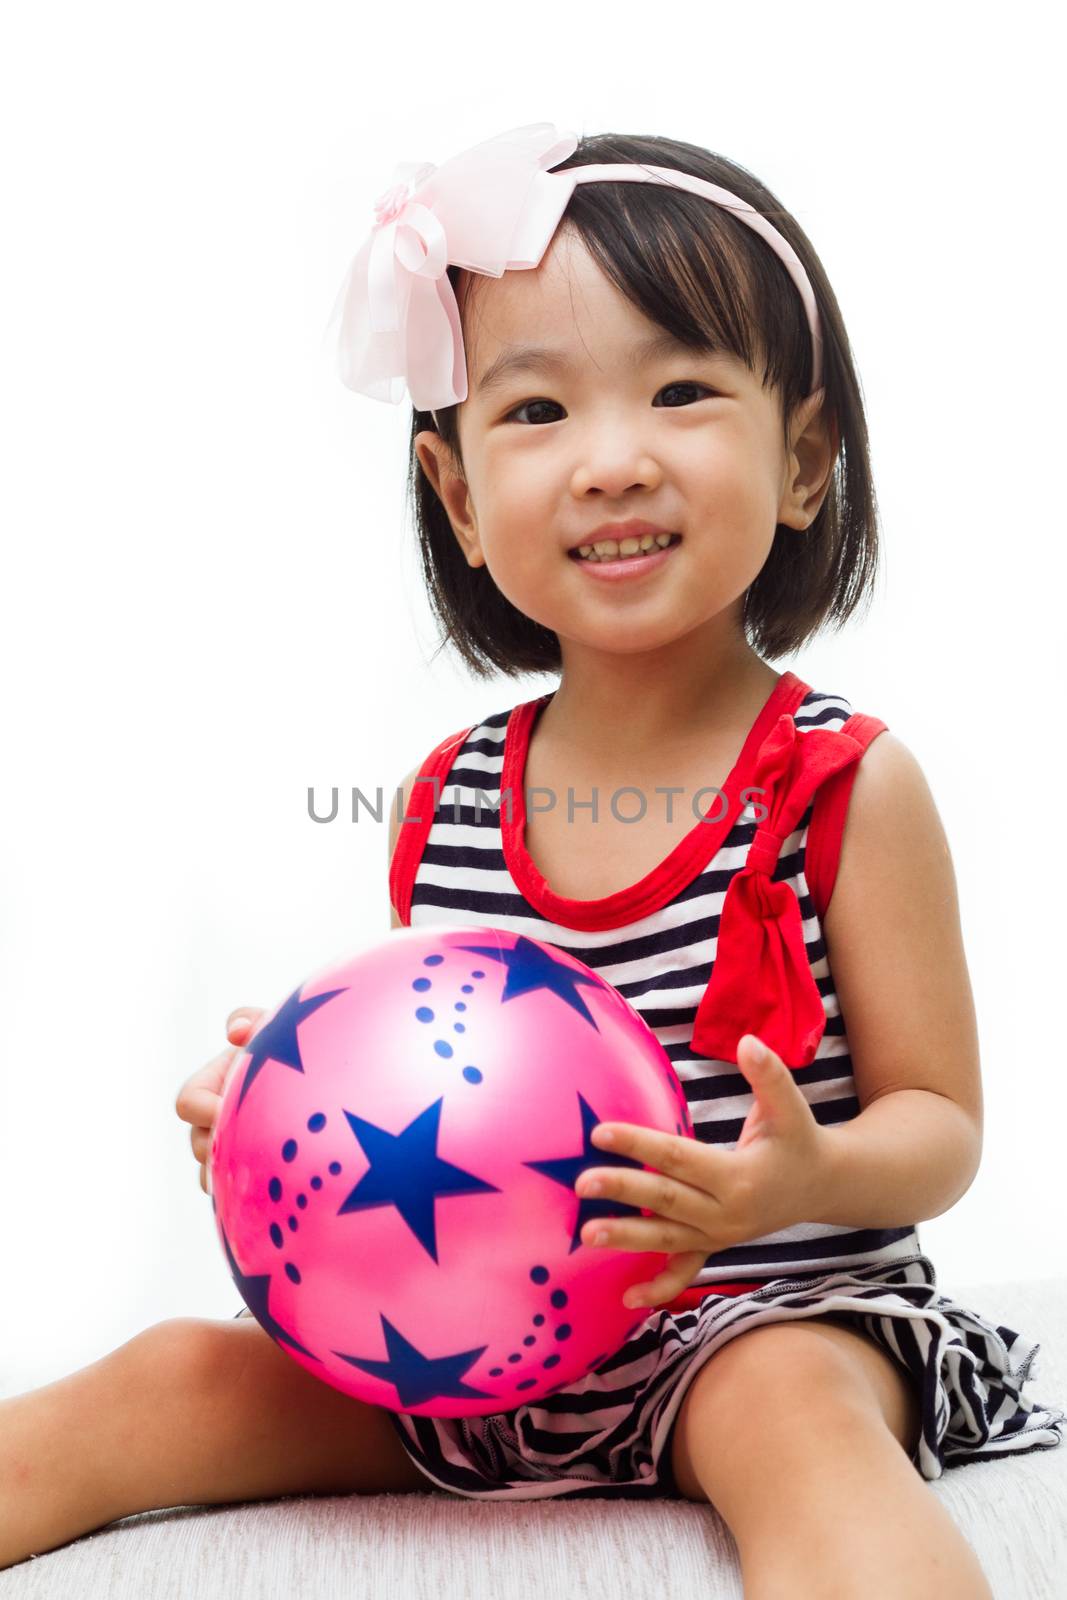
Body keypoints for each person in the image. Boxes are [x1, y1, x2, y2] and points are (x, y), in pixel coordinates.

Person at [2, 124, 1062, 1595]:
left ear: (804, 456)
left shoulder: (843, 783)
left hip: (757, 1319)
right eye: (537, 412)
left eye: (684, 391)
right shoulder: (444, 799)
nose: (612, 460)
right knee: (172, 1373)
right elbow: (447, 1091)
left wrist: (791, 1177)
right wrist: (272, 1135)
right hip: (479, 1356)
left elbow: (940, 1123)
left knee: (794, 1419)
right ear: (456, 498)